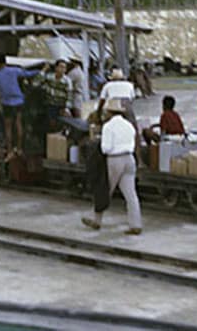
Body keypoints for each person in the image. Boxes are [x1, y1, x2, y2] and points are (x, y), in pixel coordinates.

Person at [82, 98, 142, 235]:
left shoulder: (108, 127)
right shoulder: (129, 125)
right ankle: (136, 224)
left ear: (109, 113)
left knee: (104, 189)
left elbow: (105, 148)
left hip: (115, 159)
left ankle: (97, 220)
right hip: (129, 158)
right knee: (131, 194)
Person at [0, 55, 43, 160]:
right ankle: (19, 148)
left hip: (6, 103)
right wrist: (41, 70)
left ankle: (9, 151)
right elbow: (28, 74)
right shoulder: (14, 70)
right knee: (19, 124)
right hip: (19, 101)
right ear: (5, 62)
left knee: (8, 127)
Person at [40, 59, 75, 130]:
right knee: (51, 123)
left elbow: (70, 95)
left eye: (64, 68)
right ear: (56, 68)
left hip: (61, 105)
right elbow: (36, 83)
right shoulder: (49, 77)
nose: (62, 69)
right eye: (61, 67)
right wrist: (43, 71)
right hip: (50, 104)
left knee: (62, 124)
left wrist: (67, 108)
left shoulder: (67, 81)